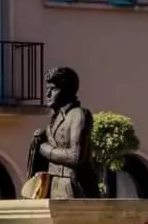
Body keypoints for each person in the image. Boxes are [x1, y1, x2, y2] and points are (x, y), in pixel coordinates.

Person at [23, 66, 99, 199]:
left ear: (67, 90)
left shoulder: (78, 114)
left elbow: (76, 156)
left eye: (54, 89)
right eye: (47, 89)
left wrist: (44, 148)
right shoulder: (55, 118)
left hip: (72, 185)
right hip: (54, 184)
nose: (48, 94)